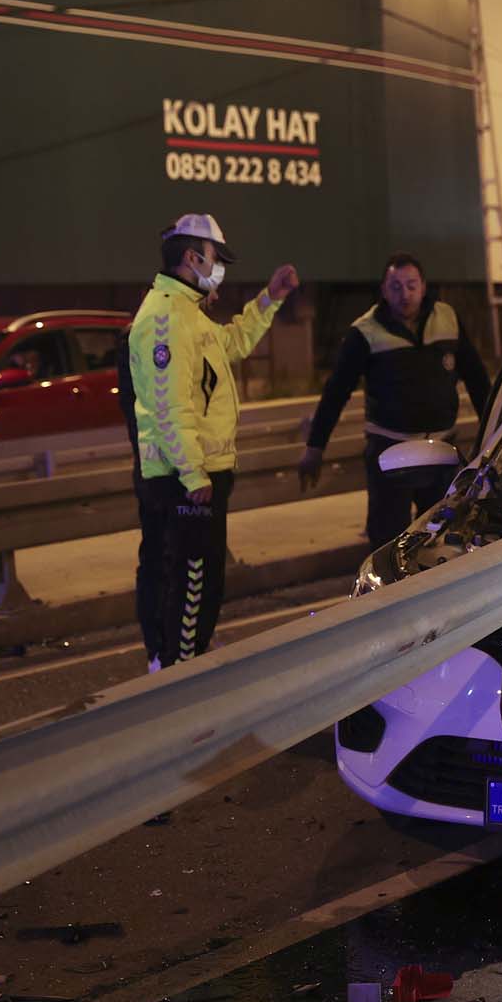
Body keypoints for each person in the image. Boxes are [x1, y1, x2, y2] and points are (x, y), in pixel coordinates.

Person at [126, 213, 298, 670]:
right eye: (215, 258)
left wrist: (271, 298)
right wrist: (192, 473)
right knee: (191, 587)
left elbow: (233, 343)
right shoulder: (166, 318)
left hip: (197, 473)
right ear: (192, 257)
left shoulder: (186, 313)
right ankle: (179, 675)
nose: (219, 268)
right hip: (184, 479)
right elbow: (169, 406)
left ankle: (182, 663)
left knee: (198, 584)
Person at [297, 252, 491, 548]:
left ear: (423, 286)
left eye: (411, 285)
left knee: (441, 539)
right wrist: (315, 447)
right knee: (388, 542)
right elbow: (336, 392)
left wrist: (495, 427)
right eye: (396, 287)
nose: (405, 294)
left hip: (440, 451)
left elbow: (477, 379)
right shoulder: (365, 332)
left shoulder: (447, 319)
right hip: (390, 454)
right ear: (384, 291)